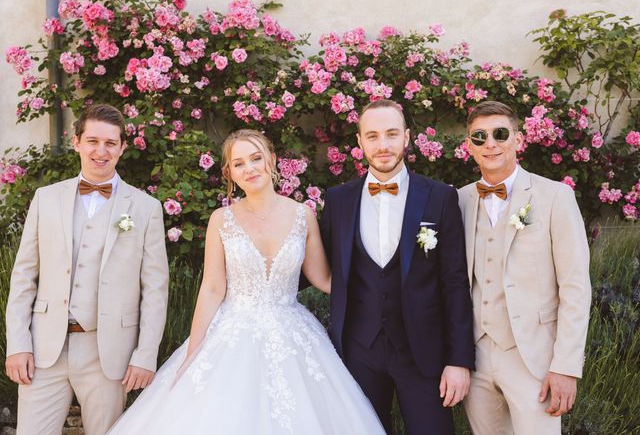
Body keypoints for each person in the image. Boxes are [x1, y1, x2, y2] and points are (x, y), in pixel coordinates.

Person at [107, 129, 385, 434]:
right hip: (231, 332)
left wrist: (378, 283)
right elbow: (213, 287)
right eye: (239, 163)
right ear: (229, 173)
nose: (249, 168)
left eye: (256, 158)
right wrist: (192, 354)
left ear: (272, 160)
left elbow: (323, 278)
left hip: (293, 335)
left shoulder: (303, 215)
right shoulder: (221, 219)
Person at [5, 104, 169, 435]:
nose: (101, 151)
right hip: (43, 350)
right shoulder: (46, 198)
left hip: (108, 354)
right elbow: (24, 277)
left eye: (110, 143)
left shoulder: (146, 208)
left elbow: (155, 289)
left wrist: (145, 355)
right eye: (92, 141)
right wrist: (18, 343)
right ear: (77, 142)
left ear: (122, 147)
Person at [320, 99, 475, 434]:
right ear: (359, 142)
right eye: (372, 136)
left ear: (407, 137)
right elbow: (315, 267)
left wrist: (459, 360)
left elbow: (455, 283)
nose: (383, 145)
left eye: (391, 134)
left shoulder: (440, 197)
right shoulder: (338, 201)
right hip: (358, 352)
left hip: (424, 354)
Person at [458, 100, 591, 434]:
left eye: (500, 133)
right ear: (469, 147)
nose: (490, 143)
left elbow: (575, 287)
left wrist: (566, 367)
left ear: (518, 140)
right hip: (475, 356)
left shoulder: (555, 197)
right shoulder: (458, 201)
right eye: (479, 137)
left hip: (534, 358)